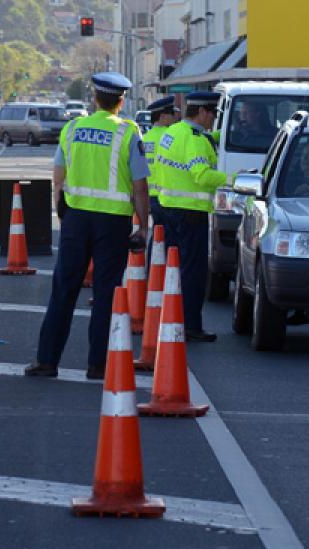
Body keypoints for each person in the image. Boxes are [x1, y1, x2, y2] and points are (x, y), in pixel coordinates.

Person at [25, 72, 150, 380]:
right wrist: (143, 226)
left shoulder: (72, 128)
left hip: (76, 219)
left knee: (63, 289)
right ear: (120, 101)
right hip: (113, 223)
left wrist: (61, 209)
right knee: (107, 294)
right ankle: (98, 365)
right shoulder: (128, 133)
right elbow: (140, 186)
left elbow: (58, 175)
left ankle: (47, 360)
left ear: (95, 99)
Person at [154, 91, 227, 342]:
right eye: (213, 114)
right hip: (191, 212)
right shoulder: (195, 140)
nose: (213, 119)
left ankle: (174, 317)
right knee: (194, 273)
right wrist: (235, 179)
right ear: (203, 112)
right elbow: (202, 175)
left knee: (175, 269)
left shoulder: (172, 133)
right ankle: (191, 325)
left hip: (169, 208)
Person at [142, 95, 179, 255]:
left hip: (151, 196)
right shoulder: (169, 136)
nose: (175, 117)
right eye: (172, 114)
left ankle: (152, 270)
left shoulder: (145, 138)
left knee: (157, 236)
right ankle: (168, 275)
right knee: (171, 240)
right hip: (167, 196)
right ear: (163, 116)